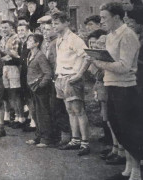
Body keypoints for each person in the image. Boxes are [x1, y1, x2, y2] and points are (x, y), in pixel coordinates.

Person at [87, 3, 143, 180]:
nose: (102, 21)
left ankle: (136, 172)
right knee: (119, 129)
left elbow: (124, 66)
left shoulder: (127, 35)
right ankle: (128, 168)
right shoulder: (110, 36)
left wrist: (99, 63)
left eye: (105, 17)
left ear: (117, 17)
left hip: (126, 89)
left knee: (129, 130)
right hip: (111, 85)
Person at [52, 11, 91, 156]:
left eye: (56, 23)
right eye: (53, 23)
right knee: (70, 111)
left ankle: (85, 143)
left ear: (66, 23)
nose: (54, 26)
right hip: (61, 78)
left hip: (72, 78)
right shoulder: (59, 39)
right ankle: (75, 140)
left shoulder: (75, 39)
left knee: (79, 110)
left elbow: (87, 57)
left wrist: (79, 75)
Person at [25, 34, 53, 147]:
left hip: (40, 89)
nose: (28, 42)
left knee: (43, 113)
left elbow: (48, 73)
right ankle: (38, 136)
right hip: (33, 87)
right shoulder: (30, 54)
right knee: (35, 112)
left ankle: (46, 139)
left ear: (37, 43)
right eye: (28, 40)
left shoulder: (40, 56)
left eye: (30, 41)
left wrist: (41, 85)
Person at [0, 20, 25, 128]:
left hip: (13, 66)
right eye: (2, 27)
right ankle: (16, 116)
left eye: (6, 27)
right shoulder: (3, 38)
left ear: (11, 27)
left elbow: (14, 54)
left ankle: (21, 117)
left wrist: (4, 50)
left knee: (15, 93)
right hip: (5, 66)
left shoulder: (15, 38)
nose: (4, 30)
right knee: (10, 93)